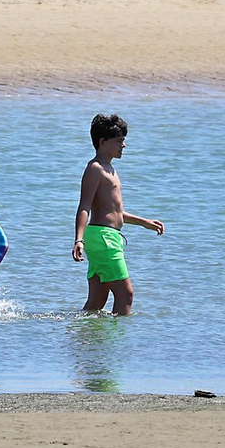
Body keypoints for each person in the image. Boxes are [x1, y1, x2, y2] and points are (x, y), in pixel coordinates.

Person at [72, 114, 164, 315]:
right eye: (119, 141)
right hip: (104, 238)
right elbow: (84, 206)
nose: (124, 146)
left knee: (97, 301)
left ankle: (86, 339)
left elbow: (115, 212)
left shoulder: (109, 169)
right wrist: (78, 239)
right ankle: (117, 343)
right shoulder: (95, 169)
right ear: (102, 142)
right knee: (126, 295)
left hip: (105, 236)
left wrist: (144, 222)